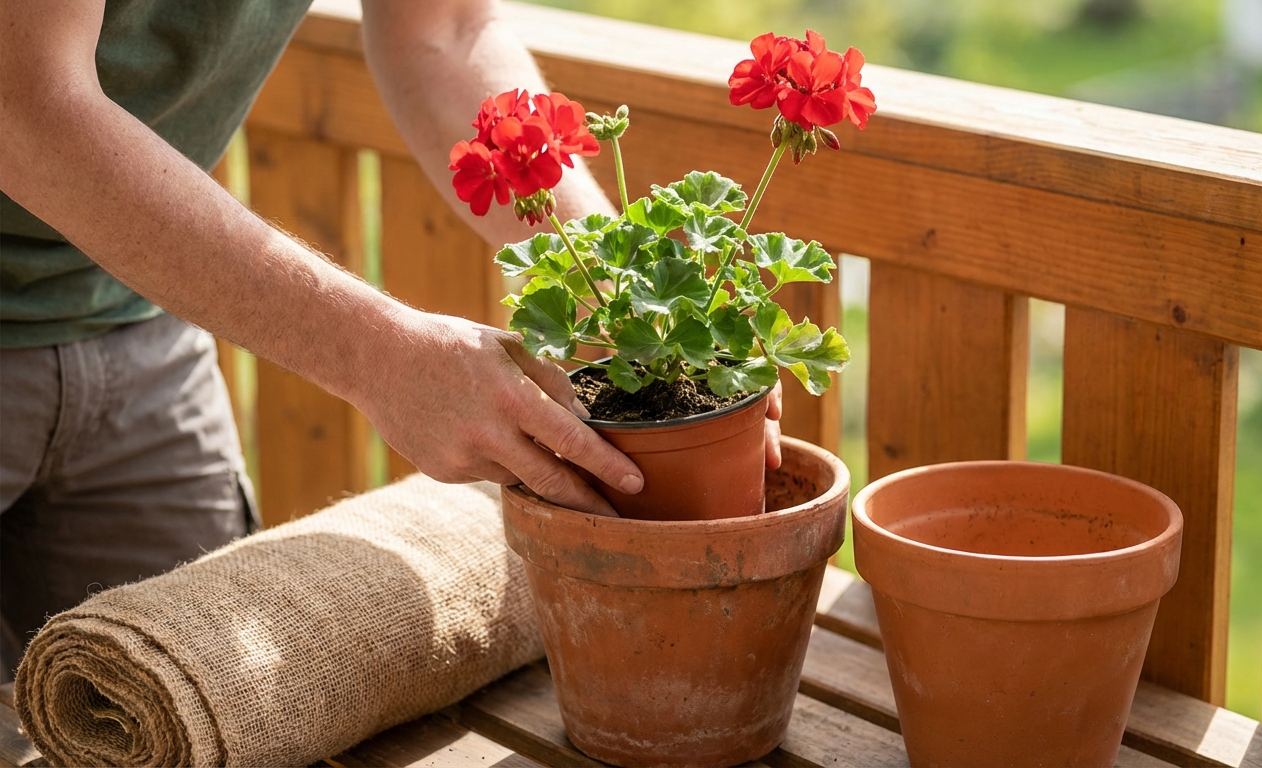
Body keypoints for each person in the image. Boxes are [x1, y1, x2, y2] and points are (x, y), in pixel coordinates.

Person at [0, 0, 784, 681]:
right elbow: (23, 105)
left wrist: (620, 289)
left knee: (184, 706)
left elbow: (442, 28)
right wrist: (379, 356)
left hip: (140, 320)